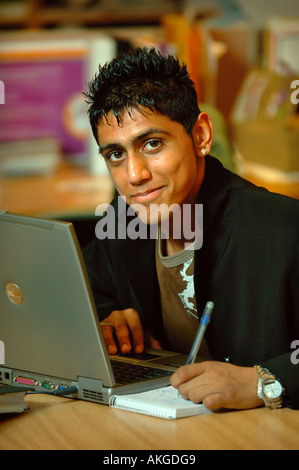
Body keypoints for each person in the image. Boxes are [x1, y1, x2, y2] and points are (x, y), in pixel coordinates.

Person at [83, 47, 299, 411]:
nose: (134, 175)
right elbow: (88, 285)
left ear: (200, 135)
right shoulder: (123, 221)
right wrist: (108, 318)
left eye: (152, 144)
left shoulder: (281, 228)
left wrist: (265, 380)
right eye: (116, 155)